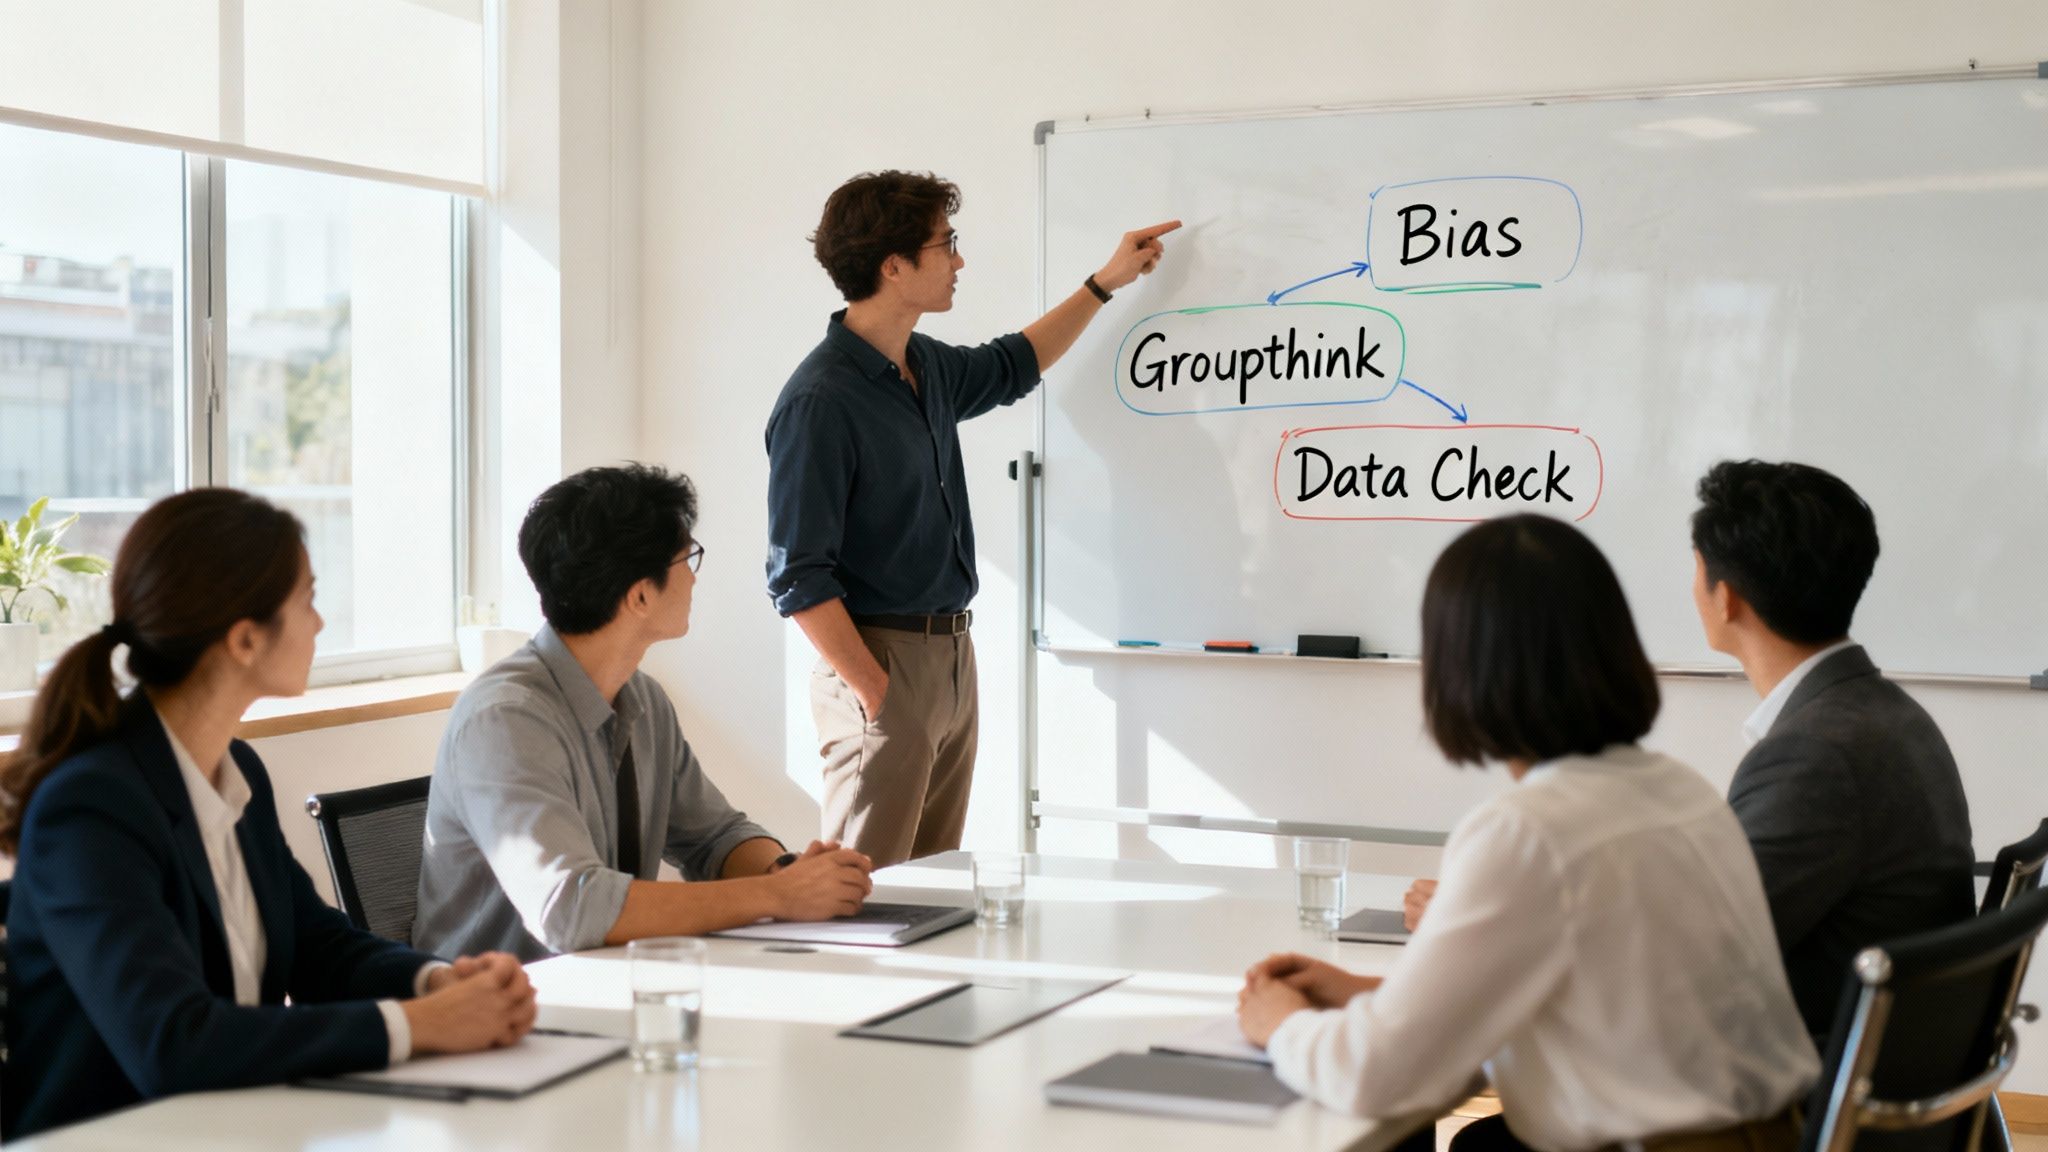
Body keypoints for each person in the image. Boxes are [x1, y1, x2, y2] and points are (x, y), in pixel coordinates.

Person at [1236, 515, 1816, 1152]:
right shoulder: (1682, 791)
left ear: (1458, 667)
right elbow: (1579, 1004)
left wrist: (1281, 1024)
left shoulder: (1528, 832)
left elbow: (1379, 1077)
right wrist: (1367, 996)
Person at [0, 490, 535, 1140]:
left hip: (232, 1127)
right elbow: (173, 1042)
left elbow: (317, 947)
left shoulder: (237, 769)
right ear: (246, 639)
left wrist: (438, 982)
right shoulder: (89, 808)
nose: (320, 623)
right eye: (307, 600)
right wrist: (420, 1026)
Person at [766, 169, 1179, 865]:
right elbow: (797, 577)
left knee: (930, 884)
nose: (959, 261)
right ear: (894, 266)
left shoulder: (921, 365)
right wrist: (877, 693)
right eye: (946, 244)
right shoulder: (820, 402)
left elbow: (1012, 365)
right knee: (859, 891)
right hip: (881, 660)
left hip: (951, 658)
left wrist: (1104, 283)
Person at [413, 465, 873, 962]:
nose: (693, 577)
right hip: (508, 996)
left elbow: (715, 837)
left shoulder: (643, 700)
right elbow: (570, 909)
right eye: (687, 558)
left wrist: (785, 873)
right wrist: (777, 897)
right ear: (639, 596)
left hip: (606, 979)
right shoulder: (505, 721)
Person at [1689, 459, 1974, 1036]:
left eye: (1696, 570)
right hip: (1890, 1051)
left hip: (1800, 1071)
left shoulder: (1814, 756)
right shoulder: (1887, 714)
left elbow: (1696, 953)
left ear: (1727, 598)